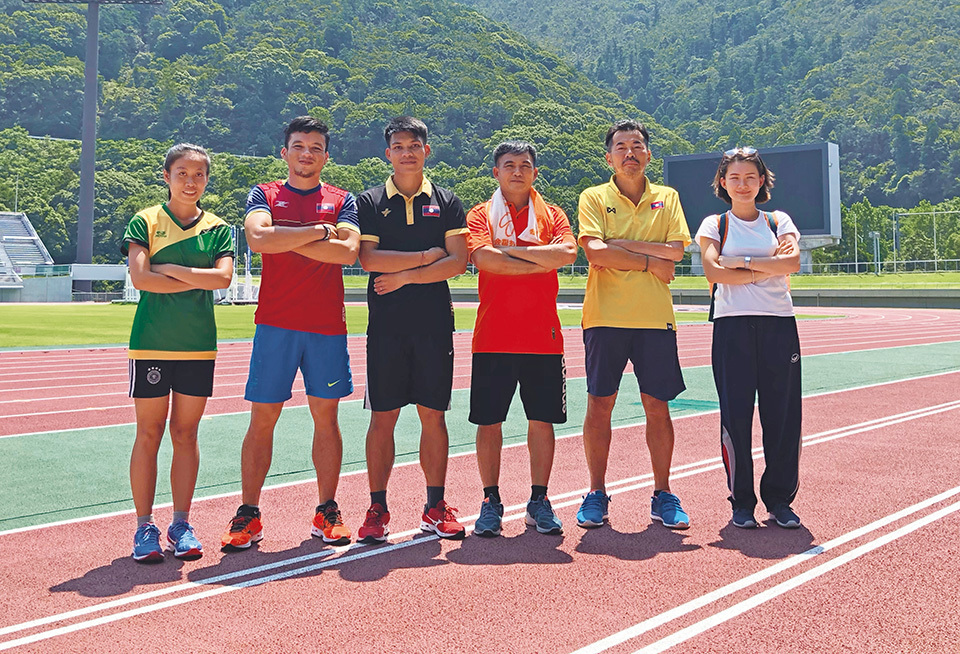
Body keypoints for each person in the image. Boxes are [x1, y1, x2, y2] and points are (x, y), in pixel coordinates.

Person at [220, 116, 360, 551]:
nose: (306, 153)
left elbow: (348, 252)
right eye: (299, 145)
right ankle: (249, 512)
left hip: (326, 326)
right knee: (262, 419)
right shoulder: (264, 193)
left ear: (326, 156)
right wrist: (318, 232)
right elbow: (258, 240)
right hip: (275, 323)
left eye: (315, 147)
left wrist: (285, 238)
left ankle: (327, 509)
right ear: (285, 152)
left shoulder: (343, 199)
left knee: (327, 419)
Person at [355, 116, 469, 542]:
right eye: (399, 147)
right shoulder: (369, 202)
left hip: (434, 324)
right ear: (388, 153)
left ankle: (435, 506)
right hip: (386, 327)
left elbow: (457, 262)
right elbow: (369, 259)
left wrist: (404, 276)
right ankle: (377, 509)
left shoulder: (447, 200)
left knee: (432, 415)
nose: (407, 153)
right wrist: (425, 257)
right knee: (383, 417)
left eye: (414, 146)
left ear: (426, 151)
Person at [575, 120, 692, 530]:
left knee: (658, 406)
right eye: (621, 146)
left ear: (648, 154)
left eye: (637, 145)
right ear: (609, 157)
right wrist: (648, 261)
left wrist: (620, 245)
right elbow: (595, 253)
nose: (630, 152)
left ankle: (663, 493)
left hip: (654, 319)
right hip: (604, 316)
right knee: (599, 405)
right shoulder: (593, 196)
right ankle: (596, 492)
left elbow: (675, 252)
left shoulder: (667, 197)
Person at [123, 143, 234, 562]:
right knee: (149, 433)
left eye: (199, 174)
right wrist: (195, 278)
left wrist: (168, 269)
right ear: (166, 176)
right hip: (151, 341)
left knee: (186, 434)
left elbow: (222, 280)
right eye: (182, 173)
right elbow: (141, 280)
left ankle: (181, 524)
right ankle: (144, 526)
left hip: (197, 345)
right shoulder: (146, 221)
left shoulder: (218, 227)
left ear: (207, 179)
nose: (191, 181)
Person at [465, 141, 577, 537]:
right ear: (496, 172)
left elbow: (568, 254)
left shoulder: (553, 215)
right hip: (493, 336)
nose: (517, 171)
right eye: (509, 165)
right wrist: (539, 260)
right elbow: (483, 259)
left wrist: (508, 255)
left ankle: (539, 500)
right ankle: (490, 500)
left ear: (535, 172)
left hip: (543, 337)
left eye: (525, 165)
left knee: (542, 422)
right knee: (489, 422)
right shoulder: (480, 214)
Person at [695, 147, 802, 529]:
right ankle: (741, 502)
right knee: (735, 416)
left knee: (782, 416)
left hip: (778, 325)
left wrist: (739, 263)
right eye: (735, 178)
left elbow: (792, 263)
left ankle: (779, 500)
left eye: (750, 178)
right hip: (732, 326)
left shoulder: (778, 220)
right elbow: (713, 272)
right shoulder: (714, 225)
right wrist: (766, 267)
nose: (743, 185)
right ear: (723, 183)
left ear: (762, 182)